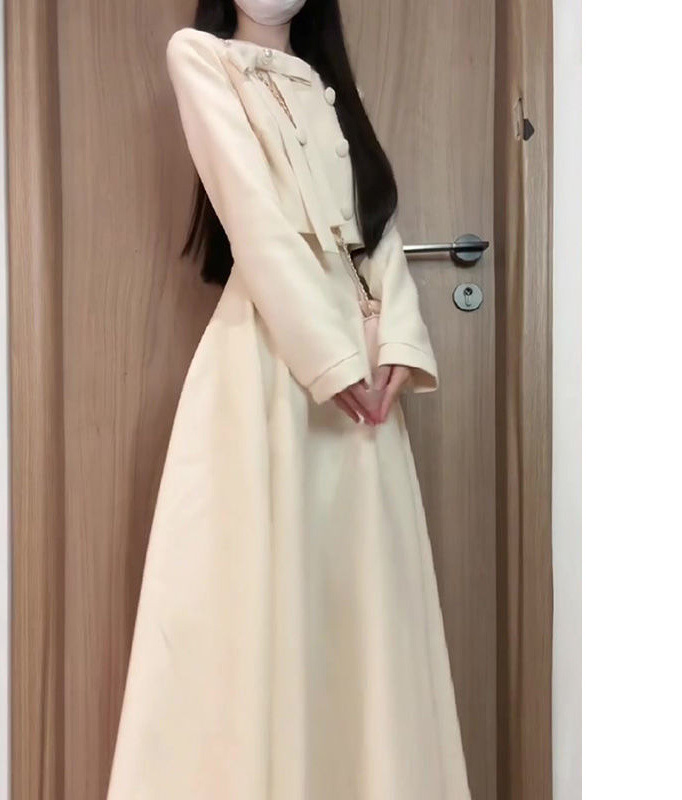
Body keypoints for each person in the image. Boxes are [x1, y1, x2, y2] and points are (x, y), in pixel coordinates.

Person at [107, 1, 472, 797]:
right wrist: (329, 358)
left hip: (361, 375)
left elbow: (374, 223)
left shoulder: (328, 82)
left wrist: (398, 342)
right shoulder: (201, 57)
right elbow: (255, 221)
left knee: (360, 608)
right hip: (270, 361)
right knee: (256, 596)